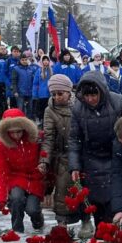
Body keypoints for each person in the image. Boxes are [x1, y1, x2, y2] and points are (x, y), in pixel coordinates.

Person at [69, 70, 122, 238]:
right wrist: (74, 166)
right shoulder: (78, 109)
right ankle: (101, 233)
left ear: (101, 91)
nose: (90, 100)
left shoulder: (118, 102)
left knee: (113, 195)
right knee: (96, 199)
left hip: (115, 154)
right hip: (91, 157)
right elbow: (74, 139)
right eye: (87, 96)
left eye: (94, 95)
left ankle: (114, 232)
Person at [0, 108, 45, 234]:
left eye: (19, 132)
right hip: (16, 178)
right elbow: (0, 171)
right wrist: (0, 198)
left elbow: (46, 154)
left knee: (32, 209)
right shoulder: (2, 146)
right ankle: (17, 230)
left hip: (35, 178)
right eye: (12, 132)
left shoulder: (36, 140)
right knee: (16, 199)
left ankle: (38, 221)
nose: (16, 135)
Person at [38, 74, 77, 225]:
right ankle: (61, 223)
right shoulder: (50, 111)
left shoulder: (79, 107)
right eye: (53, 94)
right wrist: (44, 160)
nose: (57, 97)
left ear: (69, 92)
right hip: (63, 154)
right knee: (61, 189)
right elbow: (49, 138)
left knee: (84, 189)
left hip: (80, 152)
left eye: (60, 93)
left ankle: (86, 219)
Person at [32, 55, 53, 127]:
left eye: (47, 60)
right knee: (42, 109)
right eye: (44, 60)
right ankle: (42, 122)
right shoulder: (39, 71)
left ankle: (48, 122)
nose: (46, 61)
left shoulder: (52, 70)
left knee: (49, 109)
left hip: (50, 94)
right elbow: (35, 83)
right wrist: (34, 94)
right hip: (41, 94)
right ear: (42, 61)